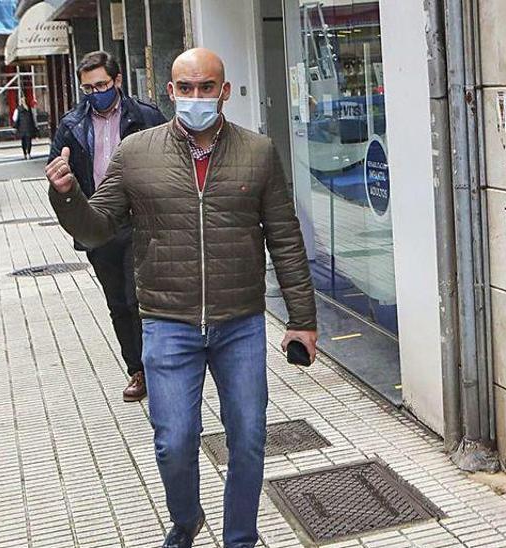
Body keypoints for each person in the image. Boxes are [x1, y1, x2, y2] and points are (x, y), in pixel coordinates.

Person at [47, 48, 317, 548]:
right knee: (173, 443)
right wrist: (67, 196)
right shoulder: (136, 153)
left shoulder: (257, 152)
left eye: (207, 87)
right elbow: (97, 228)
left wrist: (301, 319)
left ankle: (240, 537)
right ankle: (186, 519)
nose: (197, 97)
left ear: (224, 91)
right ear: (170, 92)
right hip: (167, 322)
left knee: (250, 440)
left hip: (240, 322)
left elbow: (284, 237)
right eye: (186, 88)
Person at [48, 50, 166, 403]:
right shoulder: (71, 125)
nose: (95, 92)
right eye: (88, 88)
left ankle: (158, 366)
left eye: (101, 84)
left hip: (142, 220)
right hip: (99, 223)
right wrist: (62, 184)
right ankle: (137, 369)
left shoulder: (146, 117)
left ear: (116, 81)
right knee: (118, 303)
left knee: (140, 297)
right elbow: (58, 173)